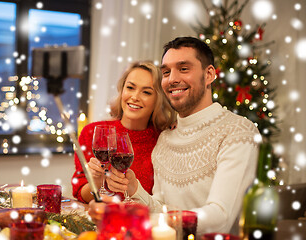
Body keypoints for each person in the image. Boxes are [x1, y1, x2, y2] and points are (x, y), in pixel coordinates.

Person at [90, 37, 260, 235]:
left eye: (184, 68)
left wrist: (132, 218)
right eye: (166, 72)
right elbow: (161, 207)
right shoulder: (165, 139)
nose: (172, 79)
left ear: (209, 74)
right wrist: (135, 190)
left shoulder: (238, 131)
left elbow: (220, 218)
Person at [72, 61, 176, 203]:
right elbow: (80, 194)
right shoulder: (92, 133)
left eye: (146, 92)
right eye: (130, 88)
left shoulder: (164, 140)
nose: (135, 97)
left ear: (158, 100)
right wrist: (96, 181)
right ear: (122, 91)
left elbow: (164, 202)